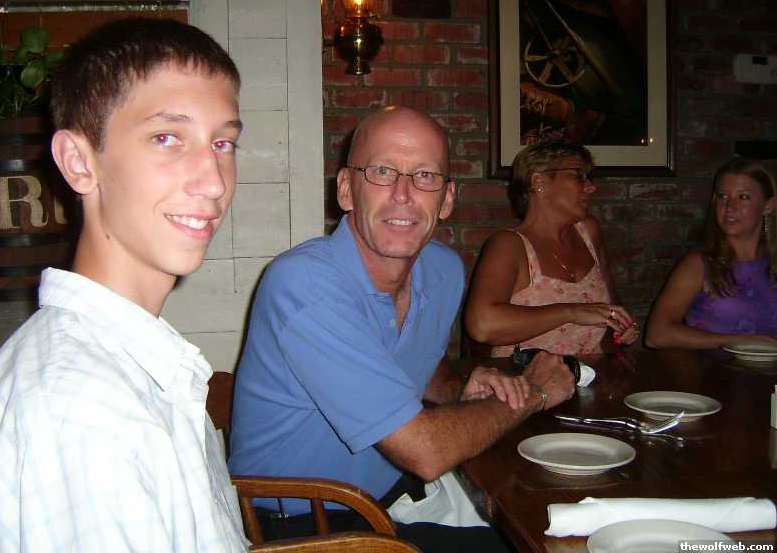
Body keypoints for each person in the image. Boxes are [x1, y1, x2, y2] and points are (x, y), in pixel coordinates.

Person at [228, 106, 575, 553]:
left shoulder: (442, 270)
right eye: (382, 172)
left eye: (425, 175)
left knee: (551, 525)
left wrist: (458, 388)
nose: (403, 194)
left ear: (446, 199)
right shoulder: (304, 284)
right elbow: (425, 453)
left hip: (390, 500)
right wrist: (536, 391)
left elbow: (415, 364)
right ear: (346, 189)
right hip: (302, 523)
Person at [0, 18, 248, 552]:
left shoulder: (133, 361)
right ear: (79, 162)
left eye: (223, 142)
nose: (214, 181)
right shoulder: (85, 411)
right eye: (167, 138)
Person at [464, 140, 637, 358]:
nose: (591, 187)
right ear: (539, 182)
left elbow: (611, 300)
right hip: (525, 376)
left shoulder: (588, 232)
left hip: (592, 373)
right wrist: (571, 312)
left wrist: (622, 325)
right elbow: (482, 325)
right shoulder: (509, 245)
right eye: (578, 175)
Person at [645, 157, 777, 349]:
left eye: (743, 197)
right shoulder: (699, 264)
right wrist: (743, 341)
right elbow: (657, 335)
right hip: (715, 367)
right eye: (722, 196)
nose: (729, 207)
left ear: (768, 205)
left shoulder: (772, 262)